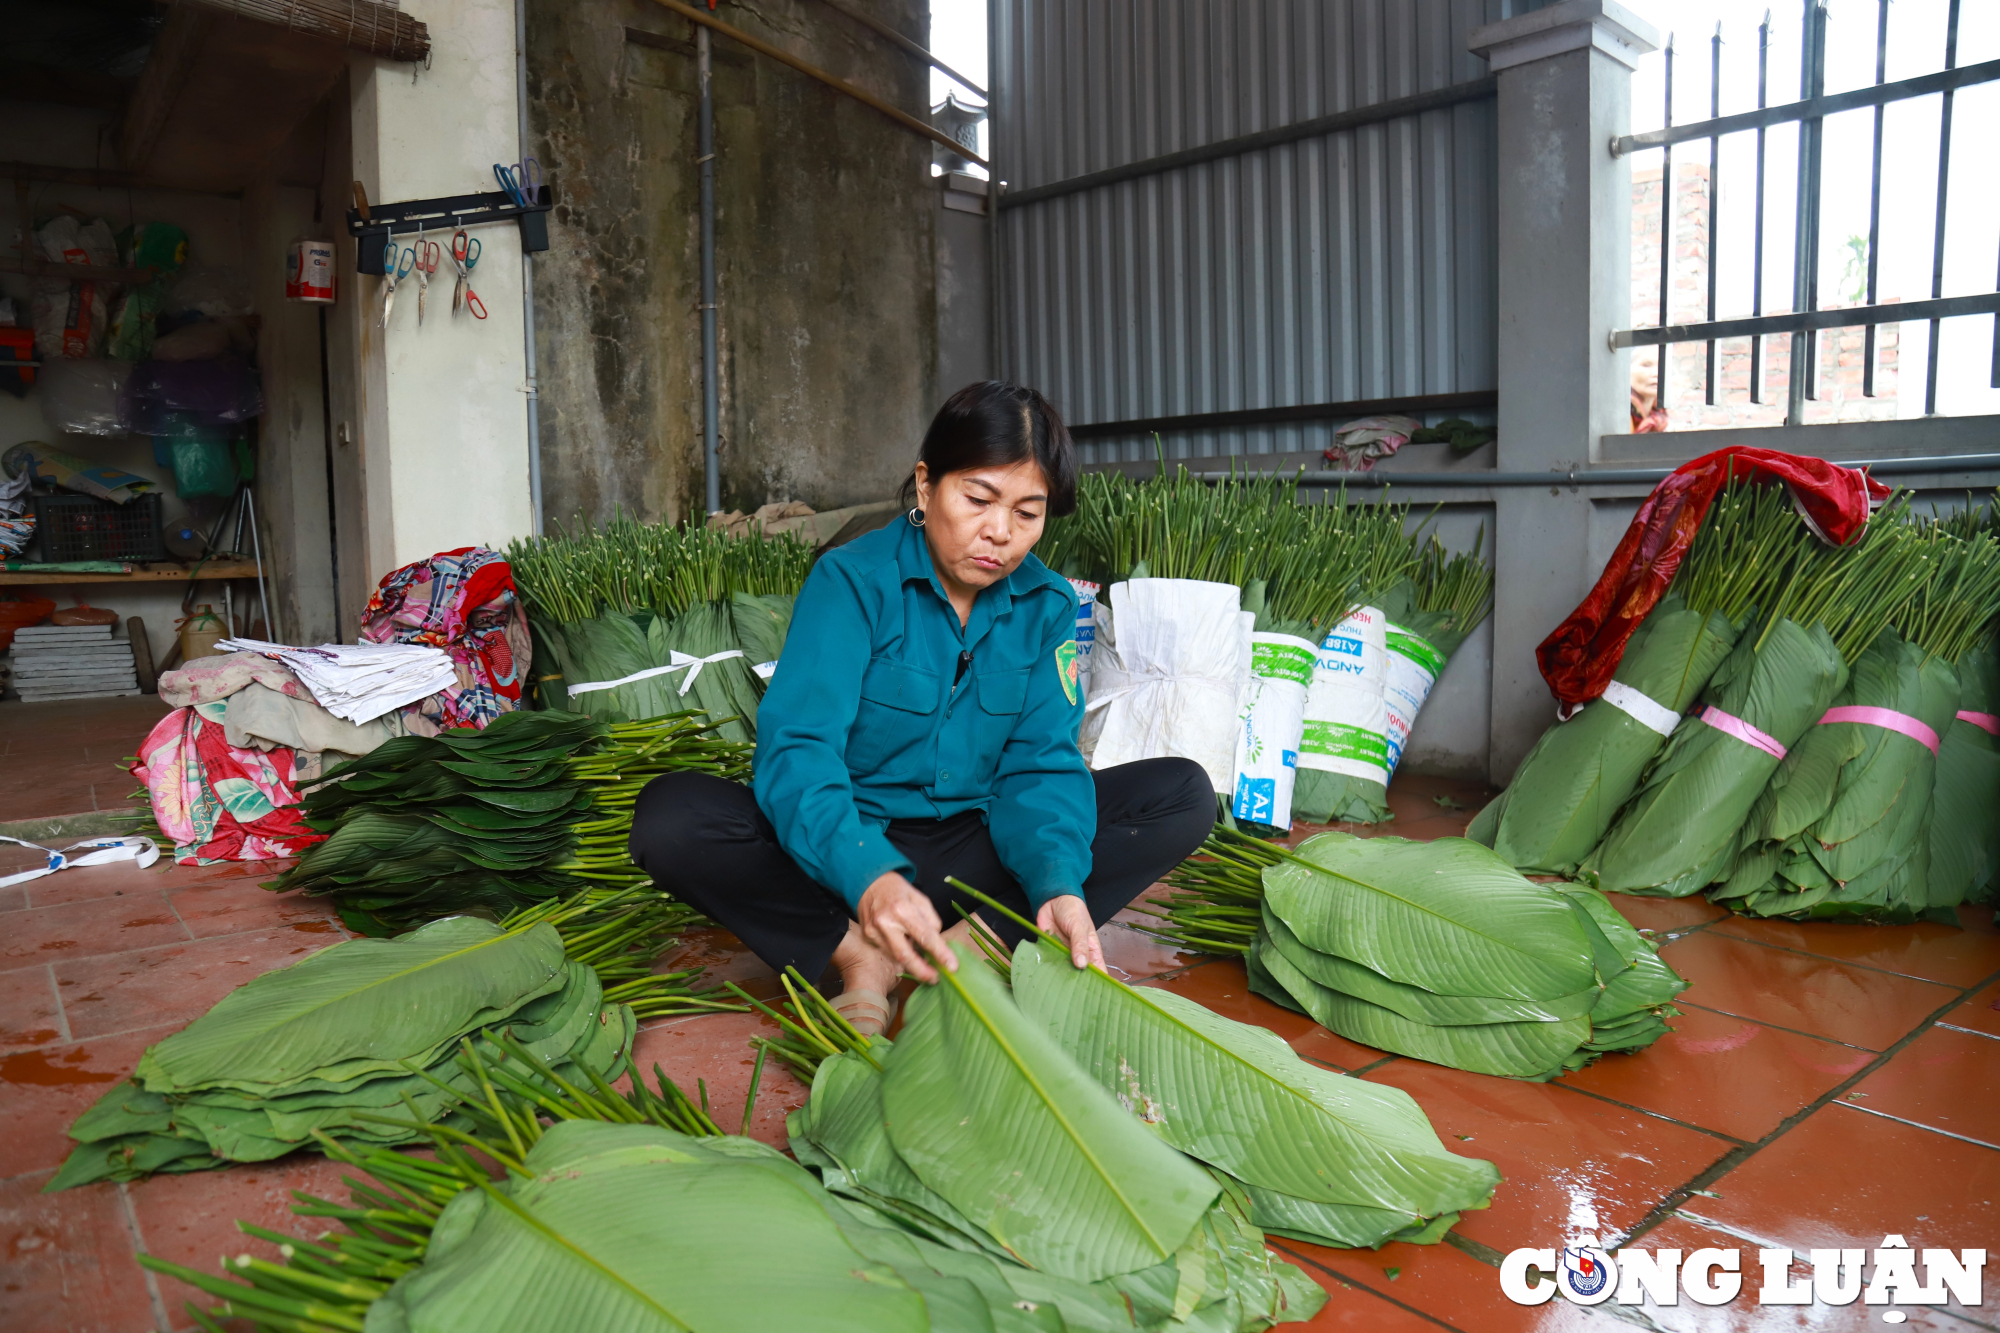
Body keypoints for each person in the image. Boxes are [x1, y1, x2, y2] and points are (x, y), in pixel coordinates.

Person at [629, 381, 1215, 1034]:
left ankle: (975, 945)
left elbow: (1040, 765)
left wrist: (1057, 884)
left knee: (1182, 793)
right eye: (979, 498)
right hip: (848, 853)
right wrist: (865, 874)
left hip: (976, 848)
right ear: (927, 483)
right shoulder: (852, 582)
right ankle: (859, 956)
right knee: (672, 817)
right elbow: (799, 750)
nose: (1001, 532)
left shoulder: (1046, 605)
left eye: (1028, 511)